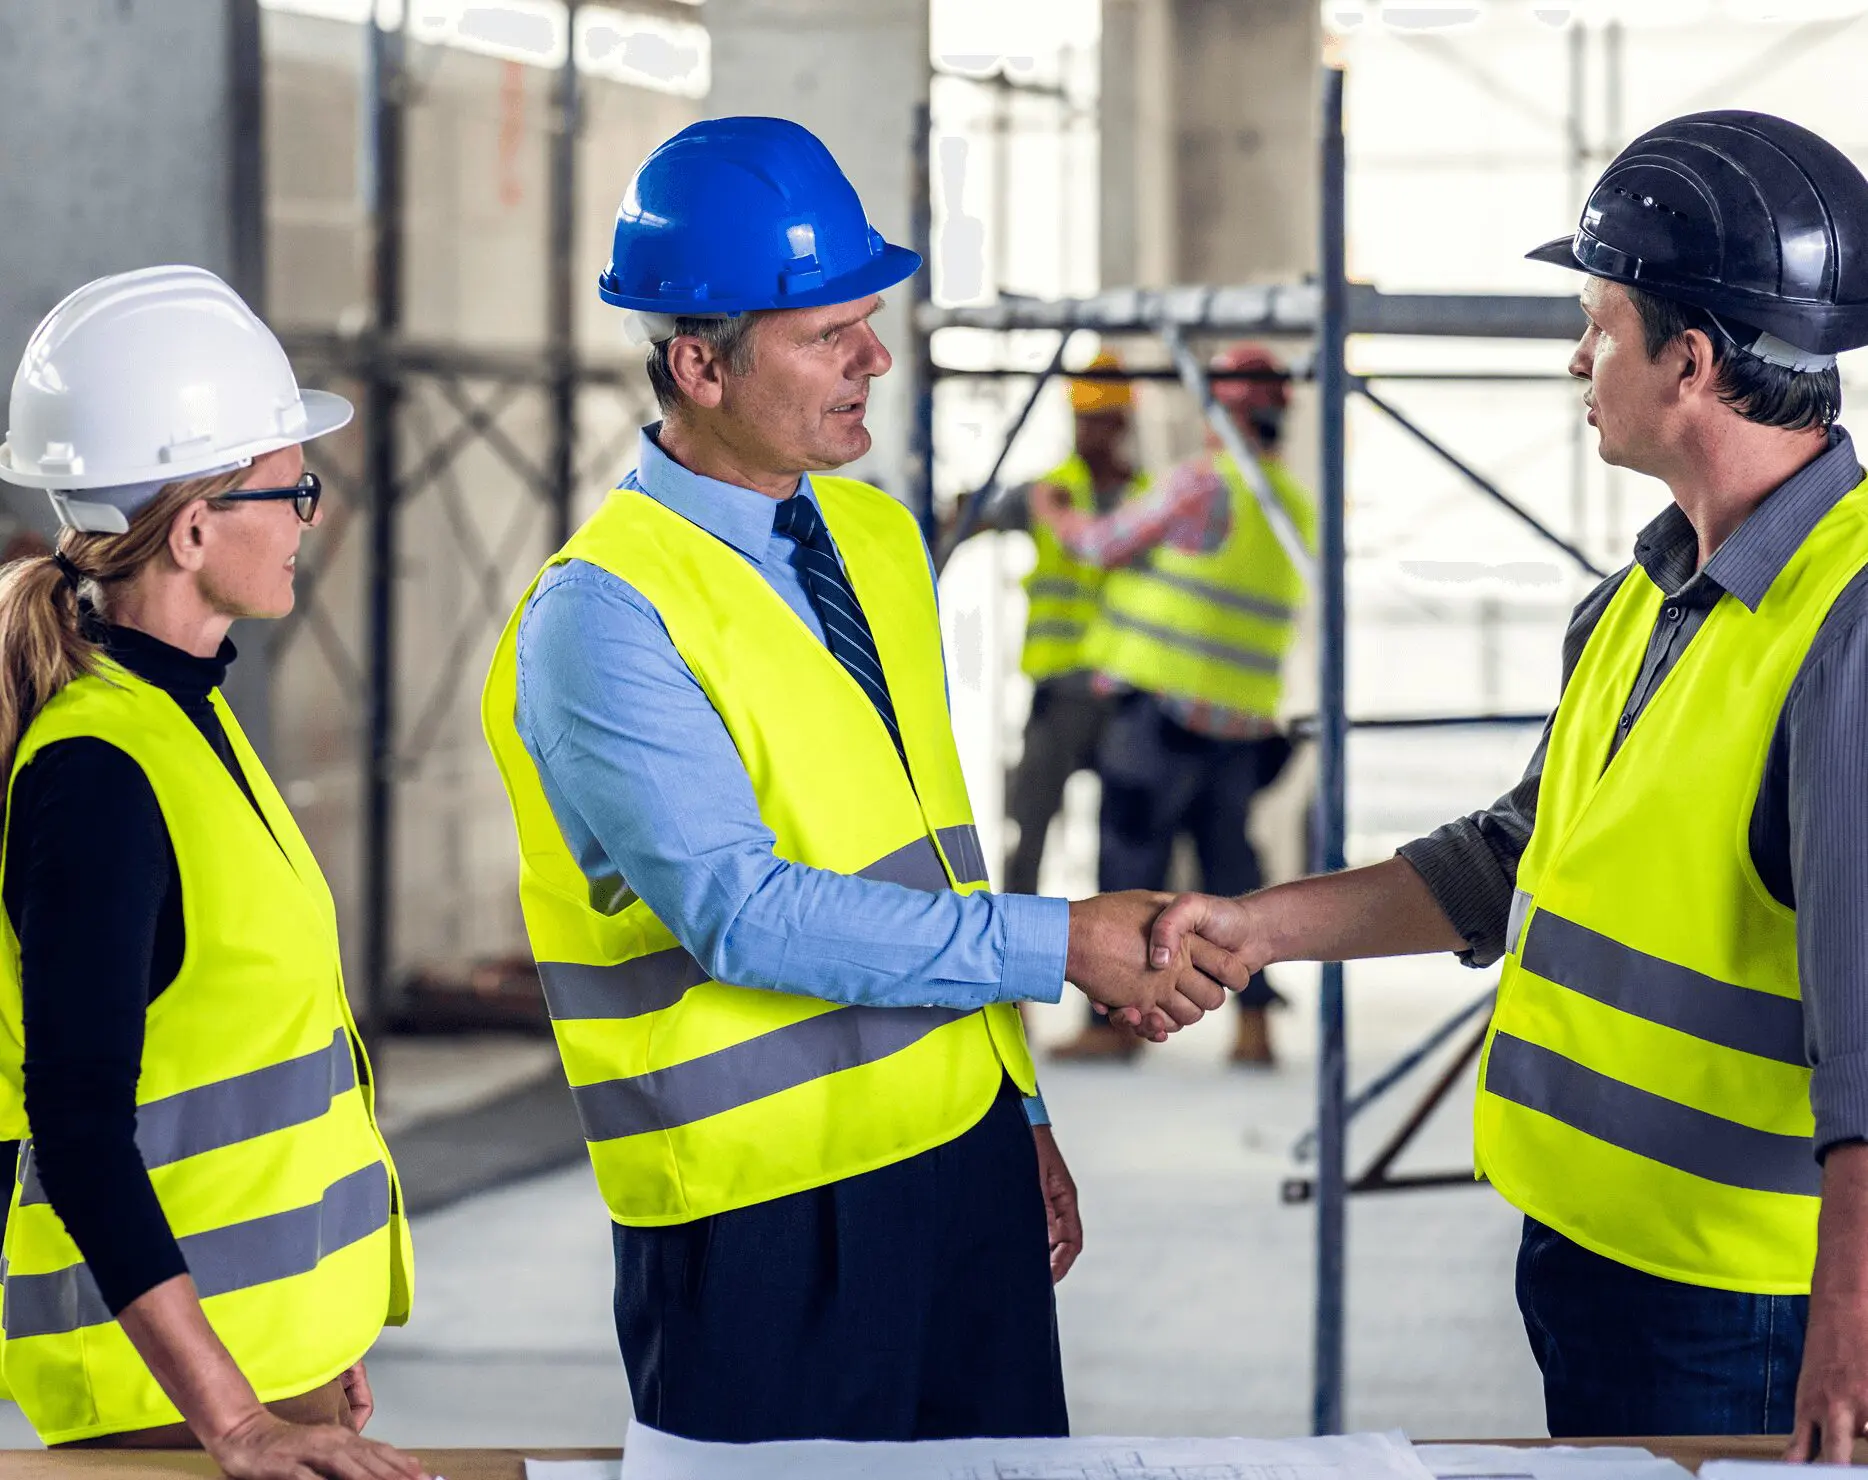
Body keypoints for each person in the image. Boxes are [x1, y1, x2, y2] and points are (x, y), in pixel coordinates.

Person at [480, 117, 1226, 1445]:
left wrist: (1020, 1110)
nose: (876, 358)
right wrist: (1063, 946)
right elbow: (742, 913)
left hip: (957, 1157)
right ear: (697, 364)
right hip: (764, 1217)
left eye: (868, 321)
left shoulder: (873, 538)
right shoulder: (603, 615)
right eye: (830, 335)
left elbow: (936, 849)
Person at [1151, 112, 1868, 1461]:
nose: (1577, 356)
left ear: (1694, 360)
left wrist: (1854, 1323)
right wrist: (1255, 933)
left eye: (1599, 321)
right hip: (1596, 1254)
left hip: (1747, 1306)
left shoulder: (1848, 628)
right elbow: (1511, 854)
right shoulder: (1650, 596)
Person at [0, 267, 419, 1475]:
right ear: (192, 529)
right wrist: (234, 1415)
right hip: (169, 1395)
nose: (312, 516)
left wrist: (312, 1334)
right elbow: (77, 1131)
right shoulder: (98, 773)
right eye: (294, 489)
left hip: (255, 1368)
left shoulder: (186, 717)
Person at [1046, 342, 1311, 1067]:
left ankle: (1112, 1027)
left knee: (1131, 871)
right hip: (1240, 726)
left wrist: (1055, 513)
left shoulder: (1203, 482)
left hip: (1162, 715)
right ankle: (1255, 1032)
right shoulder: (1289, 502)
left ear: (1217, 411)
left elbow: (1102, 546)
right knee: (1231, 880)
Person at [961, 352, 1148, 897]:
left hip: (1122, 693)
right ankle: (1015, 962)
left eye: (1104, 421)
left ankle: (1119, 970)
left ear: (1123, 424)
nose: (1092, 433)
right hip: (1058, 693)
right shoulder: (1046, 491)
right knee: (1032, 825)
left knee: (1127, 839)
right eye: (1085, 420)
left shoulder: (1147, 498)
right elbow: (972, 517)